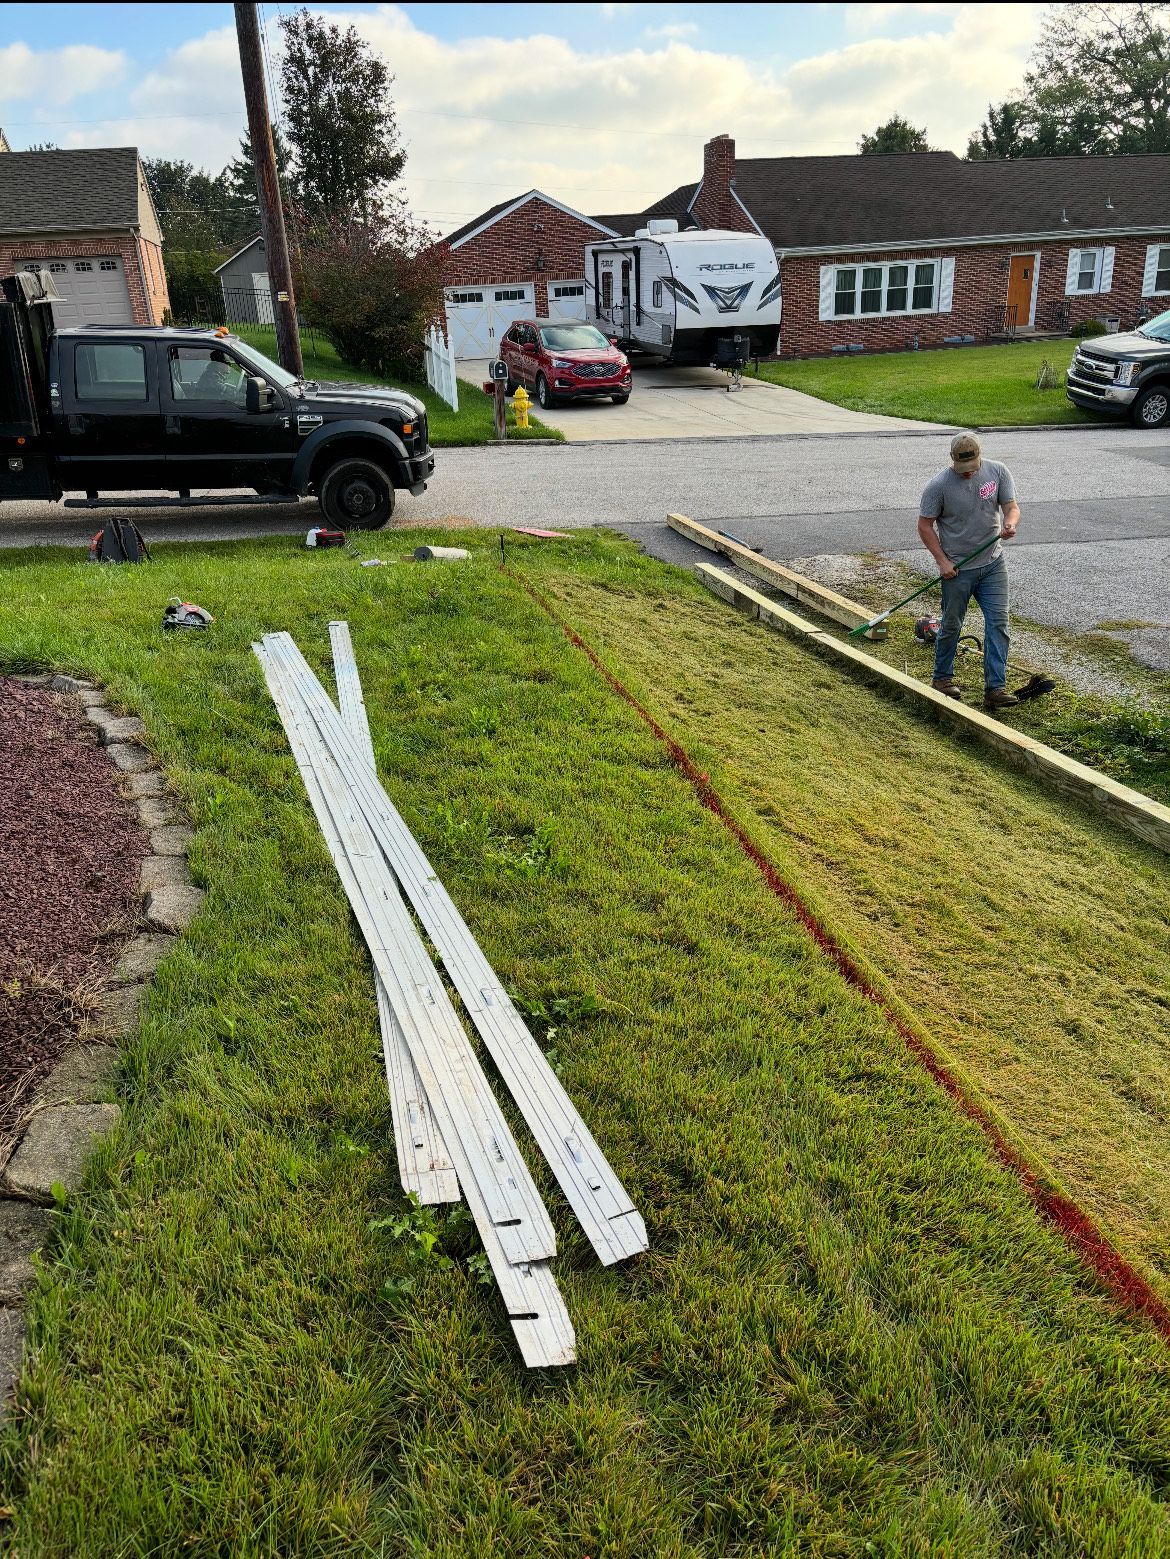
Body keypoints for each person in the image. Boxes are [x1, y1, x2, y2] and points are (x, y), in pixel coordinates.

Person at [917, 431, 1021, 709]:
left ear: (979, 457)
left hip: (993, 564)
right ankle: (941, 679)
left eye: (972, 468)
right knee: (952, 623)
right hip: (958, 569)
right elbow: (925, 526)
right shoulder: (938, 485)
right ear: (953, 459)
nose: (967, 473)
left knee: (999, 623)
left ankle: (995, 689)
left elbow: (1011, 507)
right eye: (962, 469)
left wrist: (1010, 523)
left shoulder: (997, 471)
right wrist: (942, 561)